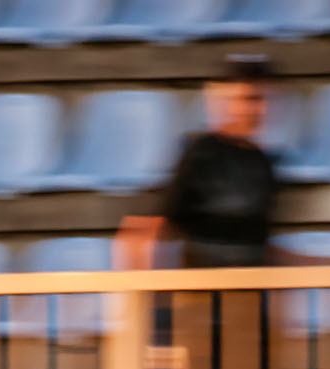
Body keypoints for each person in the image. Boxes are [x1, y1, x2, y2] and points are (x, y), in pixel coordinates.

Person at [118, 55, 282, 271]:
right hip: (204, 283)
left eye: (264, 100)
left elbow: (260, 247)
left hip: (250, 283)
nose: (259, 110)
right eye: (249, 99)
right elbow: (146, 229)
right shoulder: (200, 154)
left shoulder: (263, 163)